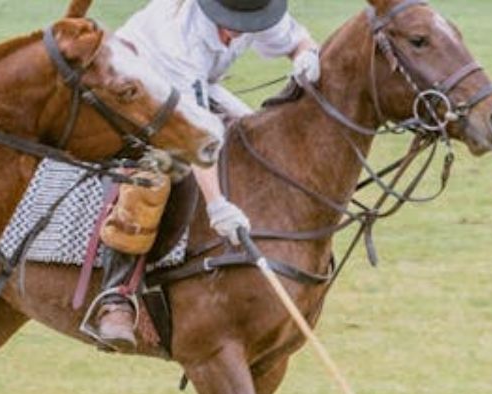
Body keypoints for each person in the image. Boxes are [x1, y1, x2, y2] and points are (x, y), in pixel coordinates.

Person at [93, 0, 321, 349]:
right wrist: (217, 206)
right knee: (153, 175)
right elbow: (196, 133)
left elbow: (296, 41)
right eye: (231, 22)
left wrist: (306, 56)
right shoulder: (178, 36)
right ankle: (116, 296)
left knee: (253, 138)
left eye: (248, 22)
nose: (238, 31)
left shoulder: (256, 10)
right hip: (127, 87)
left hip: (194, 87)